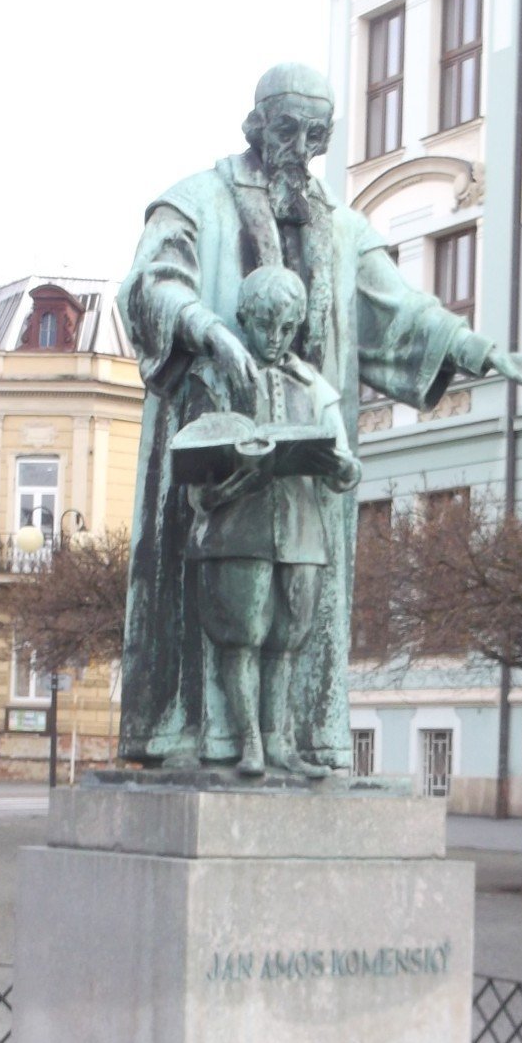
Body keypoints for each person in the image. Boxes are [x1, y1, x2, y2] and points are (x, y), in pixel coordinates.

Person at [119, 61, 522, 771]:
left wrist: (483, 351)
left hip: (301, 487)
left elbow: (403, 313)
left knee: (292, 623)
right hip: (213, 463)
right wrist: (208, 330)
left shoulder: (342, 228)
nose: (300, 147)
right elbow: (150, 285)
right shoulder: (194, 202)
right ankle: (206, 740)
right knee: (219, 618)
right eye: (287, 128)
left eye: (316, 133)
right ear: (255, 125)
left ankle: (292, 742)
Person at [185, 265, 360, 776]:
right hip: (234, 531)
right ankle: (249, 745)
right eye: (264, 326)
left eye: (286, 328)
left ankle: (279, 741)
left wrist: (343, 466)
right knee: (243, 634)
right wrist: (219, 485)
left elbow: (345, 463)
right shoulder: (213, 377)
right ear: (244, 319)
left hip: (300, 530)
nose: (274, 338)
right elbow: (192, 467)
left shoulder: (313, 384)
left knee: (287, 638)